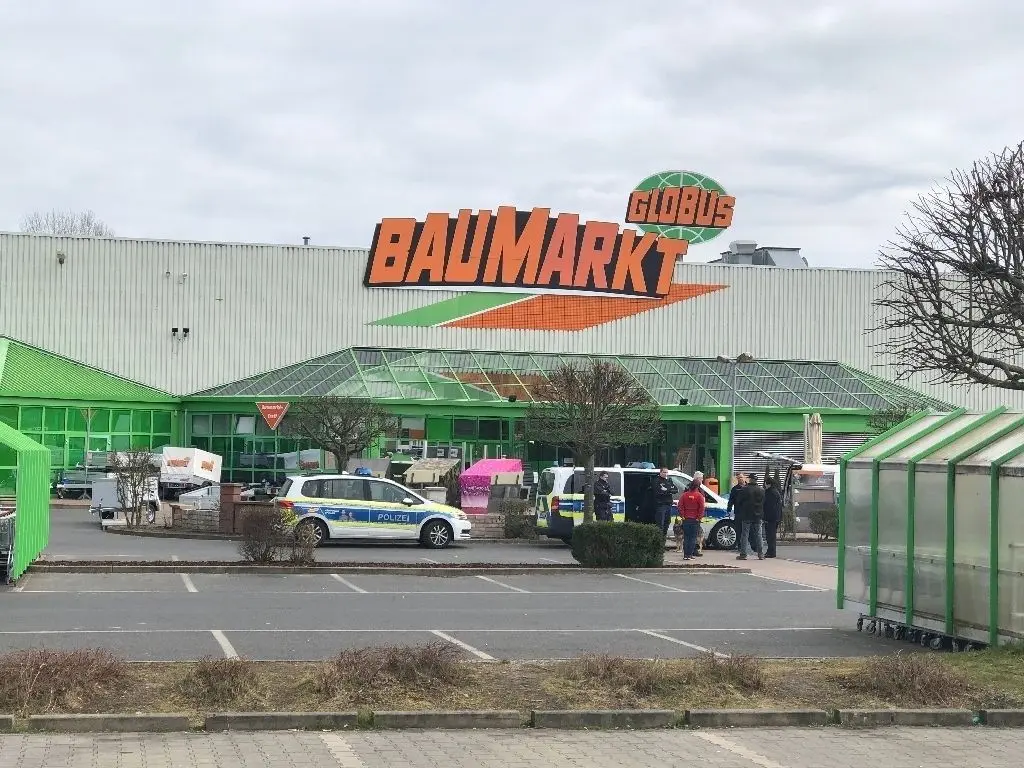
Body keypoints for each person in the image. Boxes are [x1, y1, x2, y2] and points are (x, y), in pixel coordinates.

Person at [736, 472, 765, 560]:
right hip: (758, 515)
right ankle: (760, 554)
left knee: (745, 534)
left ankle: (743, 554)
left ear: (750, 479)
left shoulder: (744, 489)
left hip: (746, 515)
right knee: (759, 534)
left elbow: (739, 502)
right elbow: (764, 502)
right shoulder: (761, 490)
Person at [678, 476, 705, 561]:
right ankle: (689, 555)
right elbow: (701, 508)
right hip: (695, 520)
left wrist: (682, 516)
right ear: (698, 486)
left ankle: (686, 555)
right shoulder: (699, 496)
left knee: (686, 537)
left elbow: (680, 506)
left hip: (686, 519)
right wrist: (699, 518)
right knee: (693, 538)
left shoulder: (684, 495)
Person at [652, 468, 676, 539]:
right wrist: (669, 490)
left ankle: (663, 540)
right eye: (664, 472)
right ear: (660, 472)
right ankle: (659, 541)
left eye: (666, 472)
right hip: (661, 505)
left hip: (668, 505)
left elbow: (675, 490)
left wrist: (666, 490)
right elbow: (659, 492)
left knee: (667, 523)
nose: (665, 474)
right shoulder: (656, 481)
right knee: (660, 524)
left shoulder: (668, 481)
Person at [763, 475, 783, 558]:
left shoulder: (770, 493)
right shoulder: (776, 491)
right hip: (776, 517)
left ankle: (771, 552)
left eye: (765, 483)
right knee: (772, 535)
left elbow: (769, 507)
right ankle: (771, 551)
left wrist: (765, 517)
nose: (764, 485)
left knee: (770, 536)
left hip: (770, 518)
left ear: (768, 484)